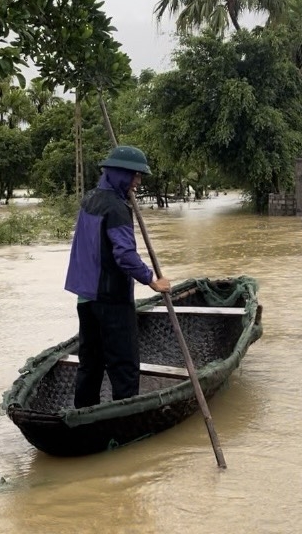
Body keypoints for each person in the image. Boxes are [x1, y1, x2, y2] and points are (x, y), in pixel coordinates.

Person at [64, 145, 171, 408]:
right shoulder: (116, 208)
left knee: (90, 362)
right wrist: (151, 280)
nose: (138, 181)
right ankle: (124, 415)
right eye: (135, 175)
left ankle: (84, 412)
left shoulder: (90, 199)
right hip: (111, 299)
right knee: (123, 364)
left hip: (85, 298)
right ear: (121, 175)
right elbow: (125, 255)